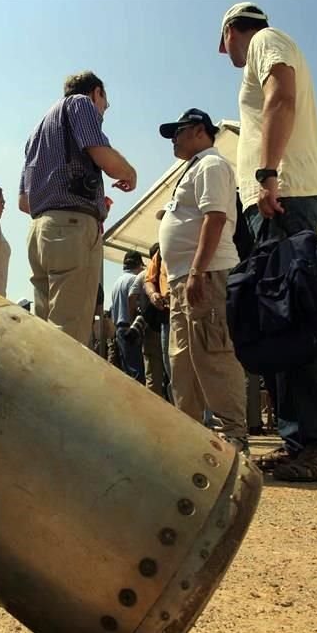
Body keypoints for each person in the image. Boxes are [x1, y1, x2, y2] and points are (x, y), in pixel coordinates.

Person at [219, 3, 317, 479]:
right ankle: (300, 440)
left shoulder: (264, 42)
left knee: (299, 319)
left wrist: (268, 174)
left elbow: (281, 96)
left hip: (284, 193)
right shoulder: (266, 44)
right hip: (279, 195)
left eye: (223, 42)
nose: (225, 51)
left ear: (230, 33)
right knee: (282, 322)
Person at [18, 71, 137, 345]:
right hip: (70, 229)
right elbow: (100, 151)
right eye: (104, 106)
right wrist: (129, 172)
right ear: (97, 93)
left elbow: (24, 202)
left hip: (39, 231)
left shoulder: (36, 132)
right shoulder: (80, 103)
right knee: (69, 338)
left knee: (45, 335)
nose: (103, 114)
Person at [156, 108, 247, 453]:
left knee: (213, 355)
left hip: (206, 274)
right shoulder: (193, 169)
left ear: (197, 131)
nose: (173, 141)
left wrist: (197, 270)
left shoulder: (211, 164)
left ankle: (234, 434)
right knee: (183, 362)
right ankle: (190, 438)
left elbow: (216, 217)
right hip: (184, 279)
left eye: (177, 133)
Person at [134, 243, 168, 399]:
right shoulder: (146, 274)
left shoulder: (143, 275)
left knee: (153, 371)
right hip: (157, 325)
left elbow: (132, 297)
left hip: (154, 325)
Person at [111, 251, 146, 383]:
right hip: (130, 328)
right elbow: (134, 303)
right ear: (139, 265)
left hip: (119, 329)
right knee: (137, 373)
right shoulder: (133, 280)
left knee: (128, 371)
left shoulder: (117, 282)